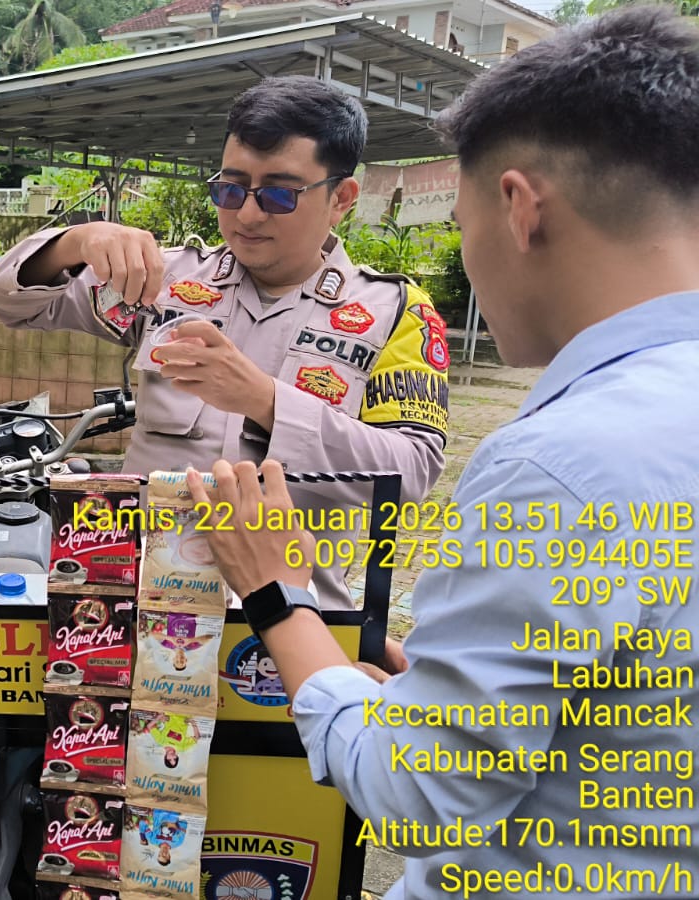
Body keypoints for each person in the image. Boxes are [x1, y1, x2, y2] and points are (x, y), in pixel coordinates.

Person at [185, 7, 699, 898]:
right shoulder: (181, 276)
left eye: (461, 220)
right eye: (233, 189)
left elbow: (420, 795)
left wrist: (277, 594)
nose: (248, 212)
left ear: (518, 208)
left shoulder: (550, 461)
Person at [0, 76, 449, 639]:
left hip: (291, 623)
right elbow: (11, 302)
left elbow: (412, 473)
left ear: (341, 199)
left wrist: (267, 401)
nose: (247, 216)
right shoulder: (164, 281)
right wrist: (74, 243)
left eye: (279, 195)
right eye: (231, 189)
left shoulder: (395, 313)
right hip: (136, 609)